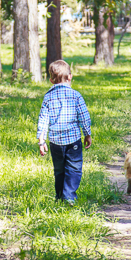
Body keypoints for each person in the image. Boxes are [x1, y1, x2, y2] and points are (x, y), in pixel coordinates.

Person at [37, 59, 92, 204]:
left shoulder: (48, 96)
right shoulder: (76, 95)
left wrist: (41, 141)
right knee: (74, 169)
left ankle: (60, 196)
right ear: (70, 77)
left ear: (50, 80)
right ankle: (68, 197)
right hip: (73, 140)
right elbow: (84, 116)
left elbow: (43, 119)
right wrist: (87, 134)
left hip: (55, 142)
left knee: (59, 170)